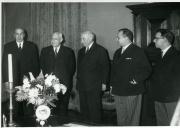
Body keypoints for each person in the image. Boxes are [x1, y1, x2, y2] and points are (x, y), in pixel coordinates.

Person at [110, 28, 151, 126]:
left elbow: (147, 69)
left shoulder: (138, 51)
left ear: (126, 38)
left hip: (132, 90)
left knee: (132, 118)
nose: (116, 39)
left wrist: (136, 79)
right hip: (118, 90)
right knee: (121, 117)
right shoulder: (117, 52)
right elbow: (113, 71)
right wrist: (111, 85)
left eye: (118, 37)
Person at [2, 28, 40, 117]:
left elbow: (36, 64)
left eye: (21, 34)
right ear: (14, 35)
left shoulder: (31, 46)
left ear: (24, 35)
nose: (19, 36)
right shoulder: (8, 46)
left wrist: (34, 80)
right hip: (13, 80)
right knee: (14, 107)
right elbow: (4, 65)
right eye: (17, 34)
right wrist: (6, 80)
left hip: (28, 81)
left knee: (28, 106)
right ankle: (15, 122)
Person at [76, 31, 110, 124]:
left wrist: (104, 83)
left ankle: (95, 125)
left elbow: (105, 68)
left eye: (83, 39)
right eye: (81, 39)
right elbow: (79, 69)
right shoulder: (81, 51)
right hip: (82, 85)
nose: (81, 41)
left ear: (91, 39)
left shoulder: (101, 50)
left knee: (94, 109)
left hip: (94, 85)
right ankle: (85, 124)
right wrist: (78, 83)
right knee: (84, 108)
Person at [40, 32, 76, 116]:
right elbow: (42, 67)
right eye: (52, 39)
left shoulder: (68, 51)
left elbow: (72, 69)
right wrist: (49, 80)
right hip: (49, 85)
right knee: (50, 108)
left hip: (64, 85)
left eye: (55, 39)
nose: (53, 41)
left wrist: (63, 81)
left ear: (61, 40)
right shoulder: (45, 50)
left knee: (63, 109)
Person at [150, 29, 180, 126]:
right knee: (161, 123)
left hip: (172, 99)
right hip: (158, 96)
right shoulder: (159, 54)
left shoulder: (176, 55)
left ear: (166, 39)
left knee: (172, 124)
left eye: (156, 38)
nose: (154, 40)